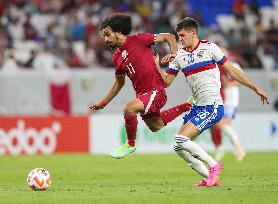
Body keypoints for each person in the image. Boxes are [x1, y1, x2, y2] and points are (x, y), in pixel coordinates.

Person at [156, 17, 269, 187]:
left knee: (181, 139)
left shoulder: (209, 48)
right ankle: (210, 178)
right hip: (197, 107)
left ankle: (214, 166)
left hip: (213, 106)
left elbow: (231, 71)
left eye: (182, 35)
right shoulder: (179, 56)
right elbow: (166, 82)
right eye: (178, 37)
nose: (180, 40)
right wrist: (157, 67)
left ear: (193, 33)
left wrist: (255, 88)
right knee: (179, 146)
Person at [89, 13, 193, 159]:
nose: (106, 39)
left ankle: (130, 144)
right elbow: (118, 84)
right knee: (156, 126)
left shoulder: (139, 39)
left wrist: (174, 53)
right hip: (143, 95)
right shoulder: (116, 58)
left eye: (107, 34)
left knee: (128, 107)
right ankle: (187, 106)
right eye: (104, 36)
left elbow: (169, 37)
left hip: (156, 92)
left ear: (118, 32)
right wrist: (103, 103)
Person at [210, 45, 246, 161]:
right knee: (215, 125)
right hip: (222, 98)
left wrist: (228, 85)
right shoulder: (218, 67)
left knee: (223, 124)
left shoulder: (234, 65)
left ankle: (238, 147)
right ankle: (221, 148)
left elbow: (241, 81)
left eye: (223, 51)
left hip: (232, 99)